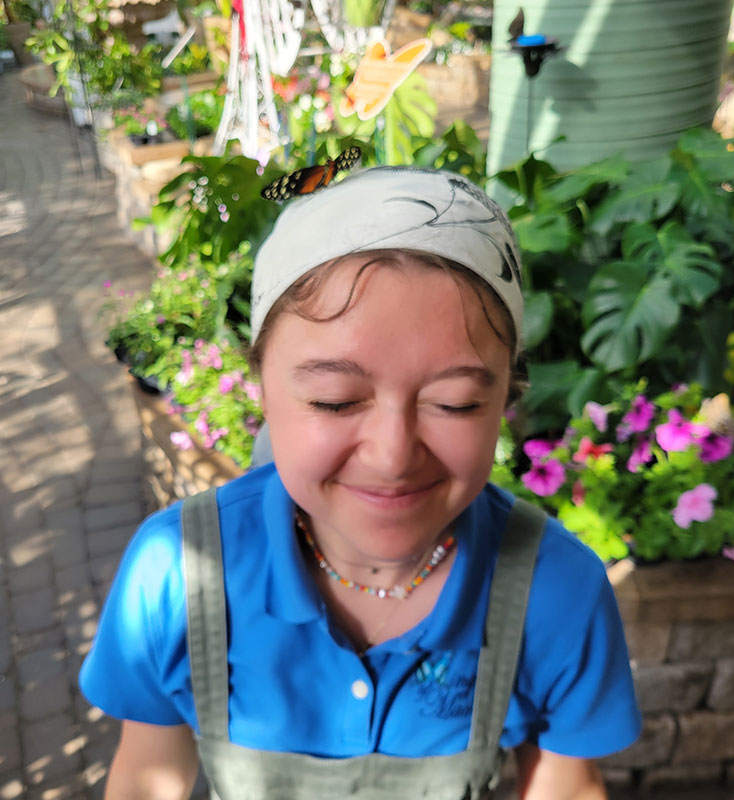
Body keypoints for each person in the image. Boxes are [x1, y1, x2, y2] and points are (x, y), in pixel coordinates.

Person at [80, 166, 641, 799]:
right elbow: (146, 778)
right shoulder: (177, 573)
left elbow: (565, 788)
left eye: (454, 403)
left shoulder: (556, 592)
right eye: (334, 400)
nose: (393, 456)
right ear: (261, 387)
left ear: (506, 396)